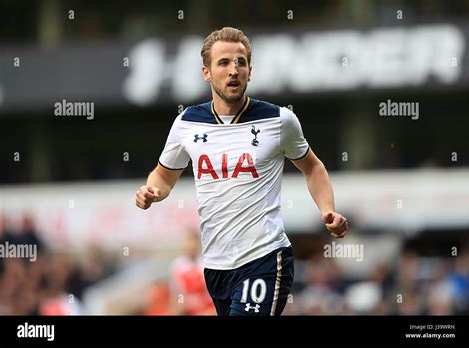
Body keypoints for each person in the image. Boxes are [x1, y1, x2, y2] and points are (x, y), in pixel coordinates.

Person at [135, 27, 348, 316]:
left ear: (249, 71)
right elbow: (163, 175)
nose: (233, 70)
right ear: (206, 72)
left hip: (265, 258)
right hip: (215, 266)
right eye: (223, 63)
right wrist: (153, 191)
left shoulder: (279, 120)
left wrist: (327, 209)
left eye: (241, 62)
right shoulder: (187, 123)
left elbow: (313, 167)